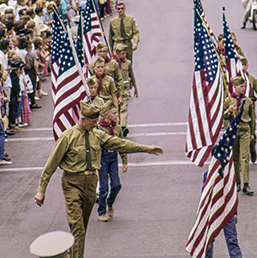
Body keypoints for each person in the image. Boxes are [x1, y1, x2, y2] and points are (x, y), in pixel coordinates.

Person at [34, 102, 163, 258]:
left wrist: (146, 148)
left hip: (90, 184)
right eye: (93, 122)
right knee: (78, 227)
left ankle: (71, 253)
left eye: (96, 121)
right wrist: (42, 190)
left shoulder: (97, 135)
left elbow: (120, 143)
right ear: (83, 119)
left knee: (82, 226)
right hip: (72, 183)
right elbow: (51, 164)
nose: (96, 124)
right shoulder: (68, 136)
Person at [224, 76, 254, 195]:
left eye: (244, 86)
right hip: (234, 131)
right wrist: (229, 111)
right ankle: (237, 182)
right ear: (235, 87)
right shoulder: (228, 100)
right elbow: (224, 117)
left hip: (245, 129)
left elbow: (252, 118)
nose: (243, 88)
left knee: (245, 157)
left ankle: (246, 184)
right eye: (241, 86)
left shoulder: (247, 101)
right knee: (235, 158)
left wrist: (252, 133)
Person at [95, 106, 124, 222]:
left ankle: (110, 202)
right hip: (103, 157)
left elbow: (122, 144)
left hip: (113, 157)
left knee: (117, 185)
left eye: (117, 113)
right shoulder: (98, 128)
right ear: (106, 115)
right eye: (114, 113)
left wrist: (125, 161)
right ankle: (101, 212)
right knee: (103, 187)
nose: (117, 115)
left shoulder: (117, 128)